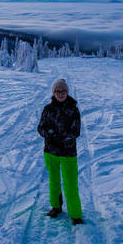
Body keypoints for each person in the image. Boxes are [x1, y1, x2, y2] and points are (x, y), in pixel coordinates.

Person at [37, 78, 84, 225]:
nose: (61, 94)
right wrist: (50, 135)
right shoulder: (48, 109)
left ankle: (75, 215)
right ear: (53, 93)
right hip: (50, 152)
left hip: (68, 153)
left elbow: (75, 131)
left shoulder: (73, 109)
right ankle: (56, 207)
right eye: (58, 91)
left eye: (63, 91)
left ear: (67, 92)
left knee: (70, 184)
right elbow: (41, 127)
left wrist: (63, 139)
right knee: (54, 181)